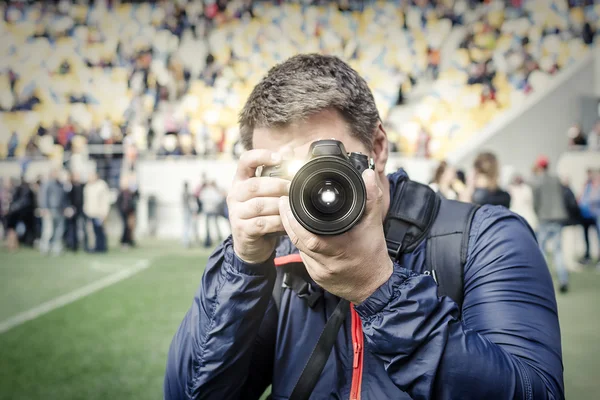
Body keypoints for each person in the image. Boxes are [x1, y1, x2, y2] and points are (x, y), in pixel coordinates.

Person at [164, 54, 563, 400]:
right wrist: (244, 265)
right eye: (283, 171)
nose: (310, 187)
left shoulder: (484, 238)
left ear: (378, 147)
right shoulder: (275, 255)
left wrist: (378, 288)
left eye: (325, 162)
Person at [532, 155, 569, 293]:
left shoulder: (537, 181)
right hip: (558, 219)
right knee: (558, 251)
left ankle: (544, 283)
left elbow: (536, 202)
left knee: (542, 251)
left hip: (544, 219)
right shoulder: (556, 179)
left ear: (540, 167)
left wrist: (538, 213)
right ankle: (563, 279)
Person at [39, 169, 67, 256]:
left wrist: (66, 208)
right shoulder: (47, 184)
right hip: (50, 210)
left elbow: (64, 198)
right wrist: (44, 208)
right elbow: (43, 197)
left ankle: (56, 248)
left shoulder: (61, 185)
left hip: (60, 210)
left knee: (59, 230)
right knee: (48, 230)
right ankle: (45, 247)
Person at [83, 171, 110, 253]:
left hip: (99, 213)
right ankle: (94, 247)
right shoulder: (87, 186)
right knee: (92, 232)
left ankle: (102, 247)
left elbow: (105, 200)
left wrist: (104, 212)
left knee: (100, 231)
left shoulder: (101, 185)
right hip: (90, 213)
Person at [579, 169, 598, 264]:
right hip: (585, 215)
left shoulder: (596, 186)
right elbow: (581, 198)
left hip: (595, 215)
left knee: (597, 237)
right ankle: (587, 256)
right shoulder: (586, 186)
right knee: (586, 237)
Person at [65, 171, 87, 252]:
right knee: (72, 228)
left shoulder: (82, 186)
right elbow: (67, 198)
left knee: (83, 228)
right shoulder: (70, 186)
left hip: (81, 209)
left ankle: (84, 246)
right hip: (73, 209)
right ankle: (73, 245)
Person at [198, 179, 224, 248]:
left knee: (210, 226)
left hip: (208, 210)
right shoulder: (213, 191)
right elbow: (219, 199)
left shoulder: (205, 191)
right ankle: (214, 239)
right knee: (213, 225)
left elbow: (201, 199)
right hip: (212, 210)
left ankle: (213, 239)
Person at [116, 175, 138, 248]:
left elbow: (137, 195)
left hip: (130, 211)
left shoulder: (130, 192)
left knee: (131, 227)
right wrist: (121, 210)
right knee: (126, 226)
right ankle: (124, 241)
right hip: (124, 212)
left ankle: (130, 241)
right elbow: (118, 203)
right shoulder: (121, 192)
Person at [182, 181, 199, 248]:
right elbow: (191, 203)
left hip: (185, 211)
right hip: (188, 211)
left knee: (186, 226)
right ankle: (186, 242)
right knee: (188, 226)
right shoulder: (188, 194)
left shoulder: (183, 193)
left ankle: (185, 241)